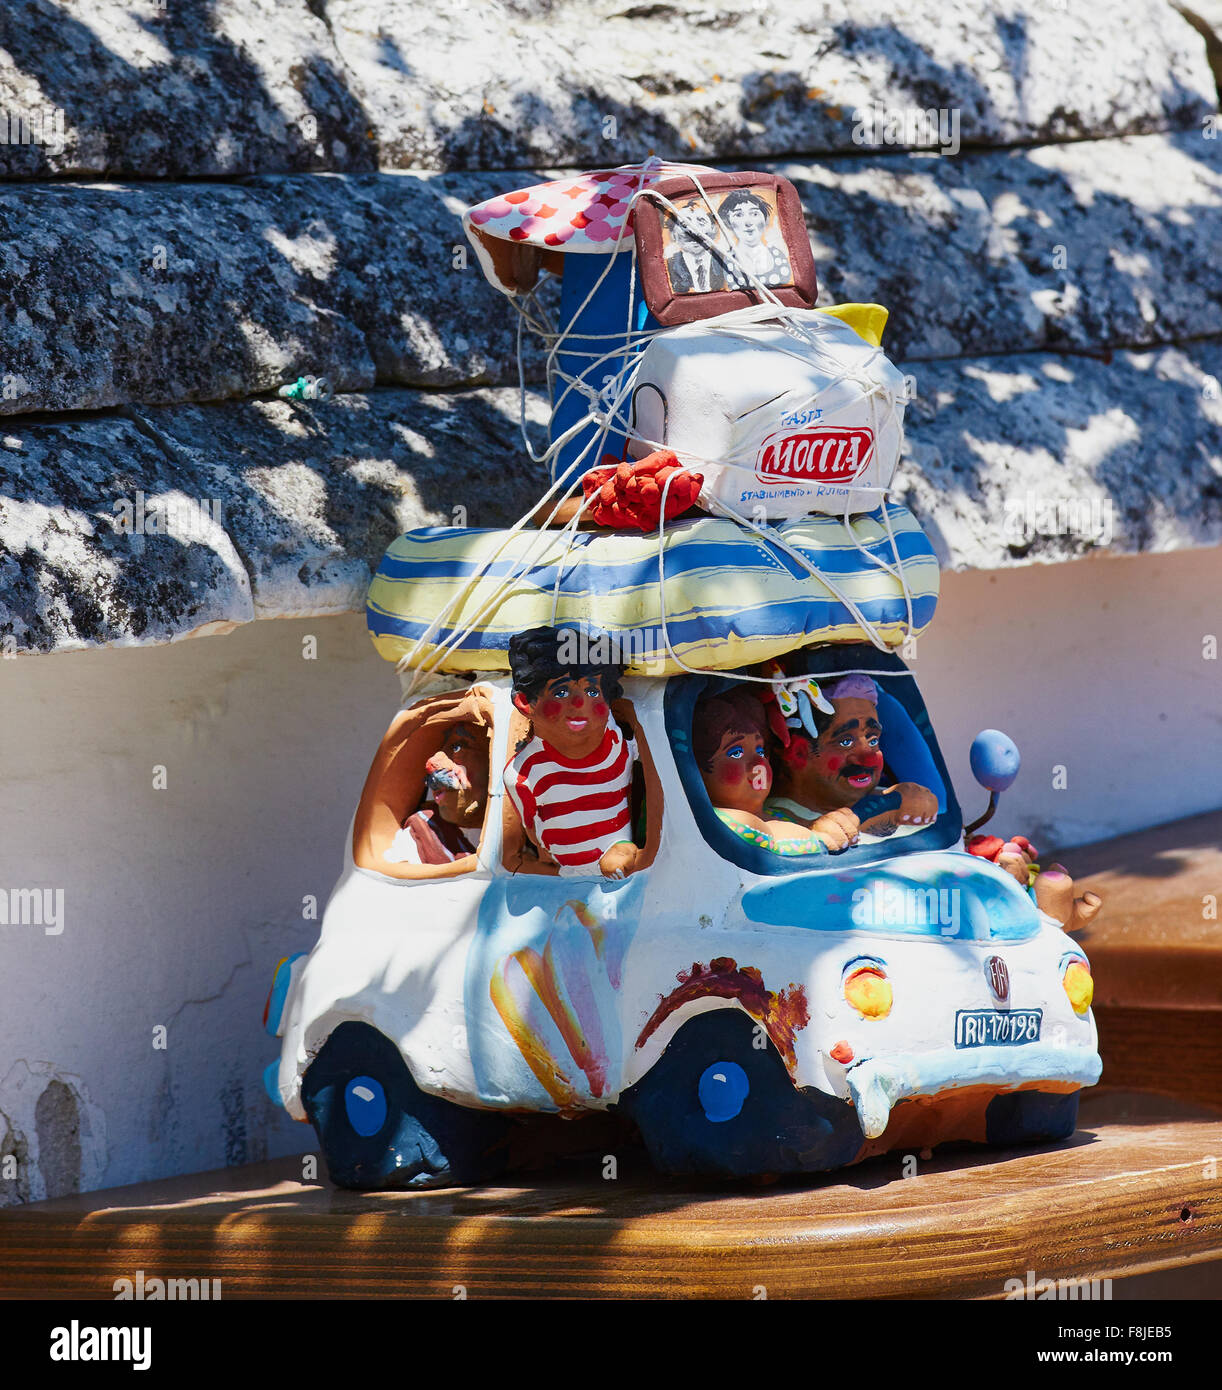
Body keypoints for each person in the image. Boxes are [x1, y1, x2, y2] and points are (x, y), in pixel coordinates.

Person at [504, 626, 641, 879]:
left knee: (616, 863)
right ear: (525, 702)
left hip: (618, 853)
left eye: (592, 692)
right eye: (561, 692)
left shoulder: (616, 742)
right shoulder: (524, 774)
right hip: (565, 871)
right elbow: (533, 830)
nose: (579, 704)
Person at [765, 674, 938, 836]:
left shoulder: (880, 797)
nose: (868, 759)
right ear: (799, 753)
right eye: (846, 742)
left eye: (872, 740)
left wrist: (916, 799)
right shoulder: (773, 823)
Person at [694, 688, 858, 855]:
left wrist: (838, 823)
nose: (759, 763)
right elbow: (768, 841)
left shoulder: (775, 811)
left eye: (760, 750)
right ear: (699, 771)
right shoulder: (722, 820)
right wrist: (819, 837)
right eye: (736, 753)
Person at [383, 719, 489, 865]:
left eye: (457, 747)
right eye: (437, 749)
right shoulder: (421, 834)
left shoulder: (524, 839)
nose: (432, 763)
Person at [719, 188, 791, 287]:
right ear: (728, 222)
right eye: (739, 215)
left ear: (765, 218)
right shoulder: (723, 261)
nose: (748, 223)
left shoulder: (778, 256)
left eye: (755, 214)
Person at [665, 201, 728, 295]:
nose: (694, 231)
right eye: (684, 224)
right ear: (673, 234)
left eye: (701, 222)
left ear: (714, 229)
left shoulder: (727, 261)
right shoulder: (668, 266)